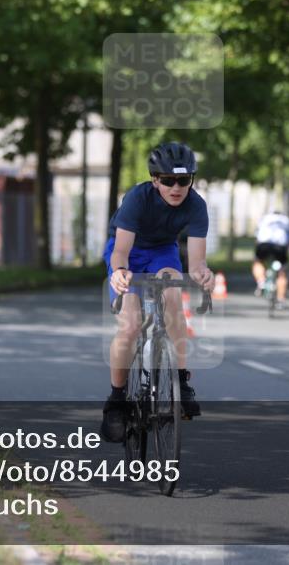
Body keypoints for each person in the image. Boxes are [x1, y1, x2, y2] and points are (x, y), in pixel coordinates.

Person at [101, 142, 215, 443]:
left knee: (174, 295)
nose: (176, 187)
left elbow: (197, 261)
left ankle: (180, 380)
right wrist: (120, 273)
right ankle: (116, 399)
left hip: (163, 252)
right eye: (167, 181)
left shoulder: (197, 205)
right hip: (130, 252)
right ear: (155, 180)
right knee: (131, 324)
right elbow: (121, 251)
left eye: (183, 180)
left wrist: (204, 274)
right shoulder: (137, 199)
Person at [252, 210, 289, 309]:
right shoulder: (286, 220)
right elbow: (288, 239)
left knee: (258, 262)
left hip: (264, 244)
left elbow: (257, 236)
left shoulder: (264, 218)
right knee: (282, 272)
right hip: (280, 247)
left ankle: (261, 281)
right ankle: (281, 300)